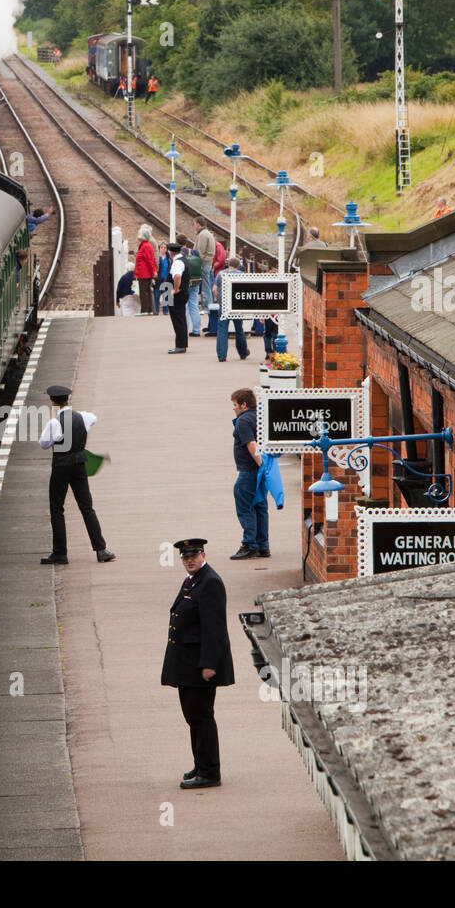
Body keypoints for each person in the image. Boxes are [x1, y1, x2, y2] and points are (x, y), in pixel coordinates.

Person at [160, 538, 235, 790]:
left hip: (199, 666)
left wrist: (209, 665)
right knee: (193, 716)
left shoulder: (210, 582)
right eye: (185, 557)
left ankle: (210, 771)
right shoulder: (194, 580)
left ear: (204, 554)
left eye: (194, 555)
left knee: (201, 716)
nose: (189, 560)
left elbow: (214, 629)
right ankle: (201, 764)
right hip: (188, 664)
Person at [37, 384, 115, 565]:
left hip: (61, 467)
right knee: (87, 507)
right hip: (79, 465)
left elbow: (43, 444)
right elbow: (94, 418)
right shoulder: (84, 417)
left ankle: (60, 553)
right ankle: (101, 550)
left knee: (57, 508)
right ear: (68, 399)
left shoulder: (54, 423)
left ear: (53, 402)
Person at [230, 388, 269, 559]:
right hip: (261, 472)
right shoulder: (260, 416)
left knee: (246, 507)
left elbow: (251, 444)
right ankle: (263, 545)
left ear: (243, 404)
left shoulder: (243, 420)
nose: (234, 408)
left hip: (249, 471)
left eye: (235, 405)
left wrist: (261, 466)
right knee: (260, 507)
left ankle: (249, 544)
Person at [218, 255, 249, 362]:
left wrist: (218, 299)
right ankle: (243, 353)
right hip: (236, 305)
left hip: (224, 305)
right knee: (239, 329)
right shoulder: (242, 275)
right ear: (238, 266)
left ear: (228, 264)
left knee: (222, 330)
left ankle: (222, 355)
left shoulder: (221, 274)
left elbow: (214, 288)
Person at [165, 241, 190, 353]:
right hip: (181, 293)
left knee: (178, 320)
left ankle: (180, 345)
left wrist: (175, 289)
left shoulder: (177, 263)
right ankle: (181, 344)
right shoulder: (182, 259)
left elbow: (177, 276)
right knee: (180, 319)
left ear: (171, 253)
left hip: (177, 295)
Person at [195, 218, 216, 335]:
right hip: (208, 262)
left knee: (205, 286)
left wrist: (198, 261)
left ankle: (207, 306)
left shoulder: (203, 235)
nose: (194, 226)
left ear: (198, 224)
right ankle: (207, 305)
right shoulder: (207, 233)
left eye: (194, 224)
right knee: (206, 285)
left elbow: (200, 250)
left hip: (204, 263)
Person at [134, 224, 156, 314]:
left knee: (144, 292)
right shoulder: (145, 245)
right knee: (146, 291)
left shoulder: (145, 246)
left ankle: (145, 310)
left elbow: (149, 260)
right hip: (144, 272)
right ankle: (148, 309)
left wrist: (153, 271)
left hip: (144, 273)